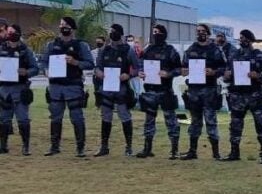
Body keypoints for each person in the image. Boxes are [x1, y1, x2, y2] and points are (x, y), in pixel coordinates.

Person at [42, 16, 95, 157]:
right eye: (60, 24)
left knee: (77, 117)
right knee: (55, 117)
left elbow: (90, 63)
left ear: (72, 28)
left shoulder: (80, 45)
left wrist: (76, 62)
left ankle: (80, 147)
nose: (62, 27)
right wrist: (46, 70)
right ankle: (54, 146)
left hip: (73, 86)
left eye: (65, 25)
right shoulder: (51, 45)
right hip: (56, 87)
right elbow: (43, 61)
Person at [222, 29, 262, 164]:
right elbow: (226, 75)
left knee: (261, 124)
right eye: (240, 38)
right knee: (235, 125)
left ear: (250, 39)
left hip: (255, 95)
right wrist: (226, 76)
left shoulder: (259, 56)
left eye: (244, 38)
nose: (241, 40)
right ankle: (234, 152)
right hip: (237, 95)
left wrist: (258, 76)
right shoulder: (233, 55)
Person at [180, 24, 226, 160]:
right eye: (198, 31)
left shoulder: (215, 49)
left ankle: (216, 153)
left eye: (203, 31)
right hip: (194, 90)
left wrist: (214, 72)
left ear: (208, 33)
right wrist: (184, 71)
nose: (200, 33)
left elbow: (224, 67)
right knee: (195, 121)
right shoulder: (191, 49)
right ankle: (192, 151)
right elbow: (183, 67)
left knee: (211, 121)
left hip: (209, 89)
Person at [135, 24, 182, 159]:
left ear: (163, 34)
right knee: (149, 120)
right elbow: (140, 63)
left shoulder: (170, 50)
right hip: (150, 90)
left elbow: (179, 69)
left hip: (165, 90)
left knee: (171, 120)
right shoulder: (148, 49)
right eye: (153, 32)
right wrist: (141, 73)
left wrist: (168, 74)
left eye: (158, 32)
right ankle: (147, 148)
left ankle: (174, 150)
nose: (155, 34)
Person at [93, 24, 139, 157]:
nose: (111, 34)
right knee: (105, 116)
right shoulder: (104, 50)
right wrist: (99, 72)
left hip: (122, 89)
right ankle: (104, 147)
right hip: (106, 89)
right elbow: (97, 67)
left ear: (120, 33)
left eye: (114, 31)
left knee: (124, 116)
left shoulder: (128, 50)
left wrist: (129, 75)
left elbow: (137, 68)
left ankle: (129, 147)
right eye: (110, 31)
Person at [0, 24, 39, 155]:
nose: (10, 34)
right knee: (4, 119)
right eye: (8, 32)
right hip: (4, 89)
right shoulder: (1, 48)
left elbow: (35, 69)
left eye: (13, 32)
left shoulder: (25, 50)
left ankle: (25, 146)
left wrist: (26, 72)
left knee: (23, 119)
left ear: (18, 34)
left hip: (20, 88)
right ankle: (3, 145)